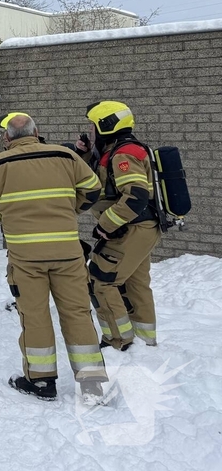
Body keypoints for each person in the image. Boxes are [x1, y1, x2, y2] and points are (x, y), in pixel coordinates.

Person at [0, 113, 108, 402]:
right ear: (37, 132)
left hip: (26, 257)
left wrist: (0, 213)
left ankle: (41, 383)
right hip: (67, 253)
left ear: (7, 138)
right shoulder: (65, 156)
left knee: (35, 316)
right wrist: (71, 208)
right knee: (78, 314)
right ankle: (92, 385)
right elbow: (93, 189)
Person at [76, 101, 160, 351]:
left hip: (130, 229)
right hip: (141, 228)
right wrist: (86, 152)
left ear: (106, 125)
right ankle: (145, 340)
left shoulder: (124, 154)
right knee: (135, 282)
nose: (89, 131)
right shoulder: (117, 149)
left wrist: (105, 225)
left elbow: (135, 195)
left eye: (93, 126)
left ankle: (119, 340)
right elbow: (102, 176)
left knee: (101, 281)